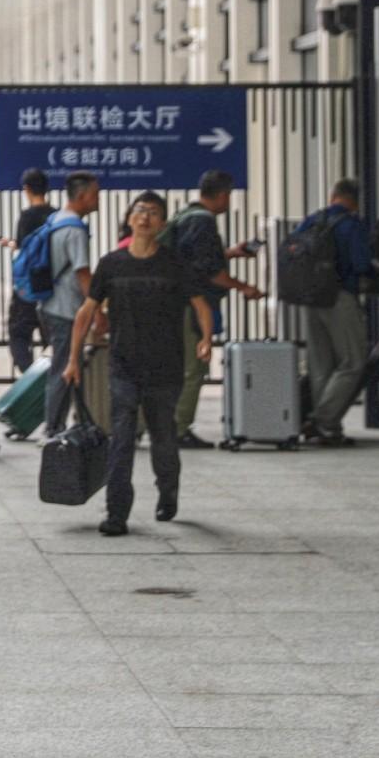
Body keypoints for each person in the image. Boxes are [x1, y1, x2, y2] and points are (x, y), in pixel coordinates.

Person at [67, 191, 213, 538]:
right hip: (124, 366)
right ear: (130, 219)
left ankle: (168, 490)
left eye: (153, 212)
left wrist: (206, 338)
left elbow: (200, 305)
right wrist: (72, 359)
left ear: (162, 224)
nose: (146, 216)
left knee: (164, 438)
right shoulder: (111, 264)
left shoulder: (174, 264)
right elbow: (86, 311)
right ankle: (116, 513)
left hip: (165, 367)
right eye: (140, 210)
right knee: (121, 439)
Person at [167, 170, 265, 448]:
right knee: (193, 369)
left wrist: (231, 253)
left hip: (174, 304)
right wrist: (245, 287)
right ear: (222, 195)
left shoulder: (185, 216)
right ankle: (178, 429)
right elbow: (210, 273)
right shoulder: (204, 222)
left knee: (175, 368)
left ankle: (156, 425)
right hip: (192, 306)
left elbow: (191, 259)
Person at [297, 179, 376, 446]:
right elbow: (361, 263)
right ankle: (324, 420)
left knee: (321, 364)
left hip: (310, 298)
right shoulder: (351, 224)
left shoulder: (311, 221)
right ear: (354, 201)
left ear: (333, 196)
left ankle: (326, 428)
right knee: (353, 362)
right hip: (340, 297)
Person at [35, 172, 99, 439]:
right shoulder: (74, 229)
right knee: (65, 367)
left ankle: (66, 422)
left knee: (65, 365)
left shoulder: (56, 220)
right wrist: (96, 309)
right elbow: (83, 273)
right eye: (94, 194)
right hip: (66, 308)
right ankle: (53, 428)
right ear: (82, 196)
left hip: (49, 304)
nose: (97, 199)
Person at [5, 169, 53, 375]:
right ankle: (49, 376)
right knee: (50, 338)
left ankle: (29, 376)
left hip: (28, 286)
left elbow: (24, 249)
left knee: (18, 334)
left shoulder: (26, 217)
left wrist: (12, 245)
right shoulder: (55, 215)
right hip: (50, 285)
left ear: (26, 189)